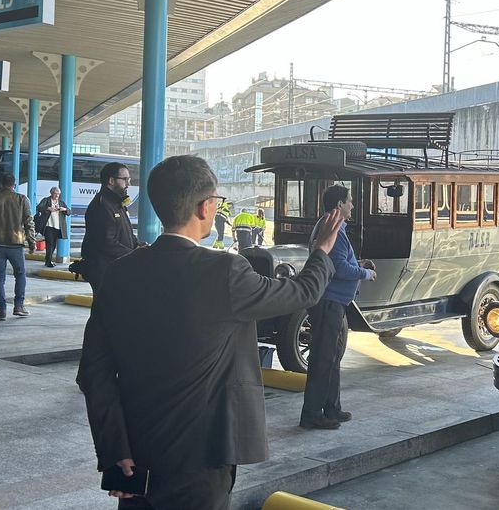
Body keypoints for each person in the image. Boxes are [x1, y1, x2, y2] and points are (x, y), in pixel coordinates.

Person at [77, 155, 342, 510]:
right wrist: (322, 250)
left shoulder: (119, 274)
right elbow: (301, 293)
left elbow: (94, 372)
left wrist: (114, 450)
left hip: (133, 452)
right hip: (202, 455)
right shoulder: (225, 271)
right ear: (205, 207)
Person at [300, 185, 375, 430]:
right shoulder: (330, 229)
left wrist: (358, 263)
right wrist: (365, 272)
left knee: (332, 357)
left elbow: (341, 260)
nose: (352, 205)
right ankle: (312, 413)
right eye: (350, 201)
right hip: (328, 303)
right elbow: (339, 268)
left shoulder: (336, 228)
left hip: (336, 303)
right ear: (339, 205)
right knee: (323, 358)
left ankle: (332, 407)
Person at [0, 173, 34, 321]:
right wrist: (32, 241)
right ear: (14, 184)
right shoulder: (22, 199)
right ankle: (19, 306)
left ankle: (1, 310)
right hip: (16, 244)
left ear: (1, 184)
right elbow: (29, 221)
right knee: (20, 275)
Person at [81, 163, 137, 291]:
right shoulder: (101, 205)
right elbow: (106, 242)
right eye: (125, 179)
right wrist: (134, 254)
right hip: (105, 271)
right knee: (108, 309)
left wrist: (137, 245)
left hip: (117, 268)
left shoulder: (117, 203)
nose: (128, 184)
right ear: (111, 181)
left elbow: (126, 234)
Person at [35, 186, 69, 268]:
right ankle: (48, 261)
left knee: (53, 244)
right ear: (51, 193)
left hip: (58, 226)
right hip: (48, 225)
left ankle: (48, 260)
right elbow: (39, 207)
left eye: (58, 194)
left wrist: (64, 209)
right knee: (49, 243)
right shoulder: (46, 200)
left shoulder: (61, 203)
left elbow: (69, 212)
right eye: (55, 194)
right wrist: (48, 208)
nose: (57, 195)